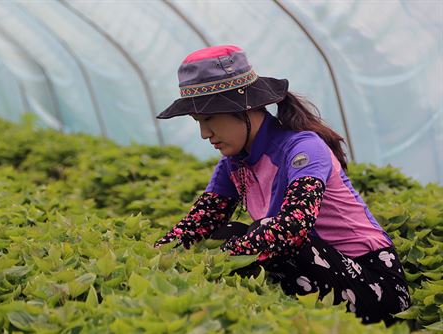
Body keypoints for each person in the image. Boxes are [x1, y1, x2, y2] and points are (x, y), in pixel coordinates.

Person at [153, 45, 411, 326]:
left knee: (269, 234)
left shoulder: (303, 147)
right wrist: (155, 262)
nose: (205, 134)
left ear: (244, 107)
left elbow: (293, 226)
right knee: (223, 232)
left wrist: (220, 261)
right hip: (322, 273)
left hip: (376, 286)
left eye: (210, 119)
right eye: (198, 122)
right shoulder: (233, 164)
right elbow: (194, 227)